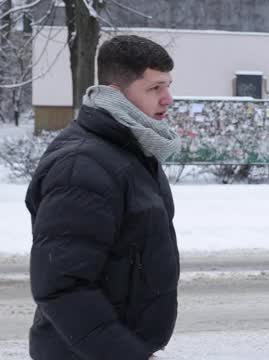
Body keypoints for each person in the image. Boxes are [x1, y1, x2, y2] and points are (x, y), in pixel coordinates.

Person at [25, 35, 182, 360]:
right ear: (115, 94)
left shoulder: (134, 152)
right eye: (154, 88)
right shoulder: (82, 167)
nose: (168, 99)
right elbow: (62, 287)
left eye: (168, 86)